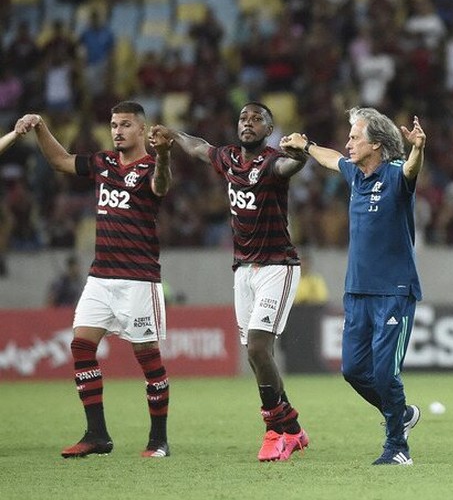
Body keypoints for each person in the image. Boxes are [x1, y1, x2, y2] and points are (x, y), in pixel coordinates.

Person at [15, 102, 175, 458]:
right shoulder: (103, 162)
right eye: (114, 124)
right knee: (81, 346)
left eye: (126, 125)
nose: (117, 131)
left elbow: (161, 187)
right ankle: (97, 434)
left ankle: (158, 440)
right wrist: (41, 125)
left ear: (142, 130)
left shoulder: (152, 165)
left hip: (139, 278)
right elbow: (61, 161)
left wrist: (163, 157)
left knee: (147, 358)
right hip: (101, 275)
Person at [153, 103, 310, 462]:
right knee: (257, 356)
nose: (249, 123)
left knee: (257, 348)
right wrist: (173, 134)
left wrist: (300, 156)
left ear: (269, 129)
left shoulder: (271, 162)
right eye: (243, 118)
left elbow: (291, 166)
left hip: (277, 266)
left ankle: (275, 432)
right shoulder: (228, 158)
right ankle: (293, 428)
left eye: (257, 120)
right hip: (243, 269)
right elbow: (196, 147)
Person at [279, 108, 425, 466]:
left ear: (376, 143)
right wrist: (307, 145)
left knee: (384, 372)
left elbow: (411, 170)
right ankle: (402, 413)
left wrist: (418, 149)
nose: (348, 143)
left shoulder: (395, 175)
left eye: (355, 136)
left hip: (394, 291)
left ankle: (397, 448)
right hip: (357, 291)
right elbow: (332, 159)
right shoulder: (357, 175)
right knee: (353, 370)